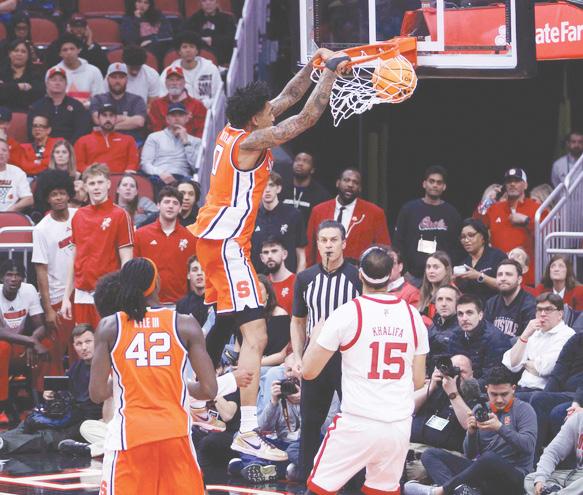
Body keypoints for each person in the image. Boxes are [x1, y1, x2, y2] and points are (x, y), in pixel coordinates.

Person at [189, 49, 347, 459]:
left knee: (225, 323)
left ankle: (196, 398)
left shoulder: (236, 129)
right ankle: (246, 429)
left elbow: (288, 97)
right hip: (226, 243)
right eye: (266, 111)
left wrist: (313, 66)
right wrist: (331, 75)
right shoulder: (251, 141)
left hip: (217, 239)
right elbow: (304, 119)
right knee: (256, 335)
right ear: (255, 119)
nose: (271, 112)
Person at [302, 246, 429, 495]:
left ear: (360, 274)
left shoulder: (348, 313)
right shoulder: (413, 316)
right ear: (391, 275)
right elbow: (417, 381)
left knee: (318, 489)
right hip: (397, 426)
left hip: (358, 422)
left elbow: (308, 372)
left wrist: (316, 334)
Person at [89, 257, 217, 495]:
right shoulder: (185, 324)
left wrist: (128, 378)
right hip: (175, 435)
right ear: (156, 282)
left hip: (130, 438)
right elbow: (209, 389)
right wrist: (176, 383)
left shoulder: (109, 326)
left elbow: (97, 393)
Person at [290, 220, 362, 480]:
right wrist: (298, 355)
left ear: (344, 243)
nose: (329, 245)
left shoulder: (357, 277)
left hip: (348, 358)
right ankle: (304, 476)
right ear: (317, 245)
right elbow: (298, 321)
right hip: (316, 357)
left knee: (354, 419)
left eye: (334, 240)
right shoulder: (305, 278)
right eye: (323, 240)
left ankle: (355, 479)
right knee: (310, 421)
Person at [405, 366, 537, 495]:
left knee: (489, 458)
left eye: (504, 394)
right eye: (494, 394)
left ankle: (443, 491)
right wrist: (471, 433)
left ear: (513, 389)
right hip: (483, 475)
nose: (499, 399)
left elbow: (528, 446)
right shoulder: (480, 409)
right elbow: (469, 454)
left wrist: (500, 428)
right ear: (487, 389)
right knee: (430, 454)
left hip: (513, 477)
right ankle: (459, 492)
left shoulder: (524, 410)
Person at [0, 324, 103, 454]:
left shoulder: (105, 366)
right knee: (30, 422)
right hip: (71, 414)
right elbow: (64, 392)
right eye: (79, 344)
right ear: (74, 346)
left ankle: (4, 444)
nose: (84, 347)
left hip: (87, 420)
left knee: (48, 436)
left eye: (88, 342)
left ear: (97, 341)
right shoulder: (76, 366)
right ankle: (2, 439)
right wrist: (51, 394)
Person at [61, 163, 134, 329]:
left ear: (108, 184)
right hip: (81, 293)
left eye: (100, 182)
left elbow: (127, 260)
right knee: (84, 341)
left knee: (108, 341)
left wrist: (123, 293)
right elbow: (75, 258)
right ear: (85, 187)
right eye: (92, 183)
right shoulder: (79, 215)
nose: (96, 187)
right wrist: (66, 297)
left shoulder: (120, 215)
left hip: (109, 293)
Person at [32, 170, 77, 368]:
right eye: (53, 194)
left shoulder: (80, 216)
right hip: (58, 297)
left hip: (81, 292)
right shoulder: (41, 229)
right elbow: (40, 270)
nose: (58, 198)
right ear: (47, 198)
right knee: (57, 352)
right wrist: (48, 308)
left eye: (62, 193)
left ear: (69, 194)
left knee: (81, 347)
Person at [306, 168, 391, 266]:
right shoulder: (318, 210)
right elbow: (309, 247)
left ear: (360, 188)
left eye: (355, 182)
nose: (350, 185)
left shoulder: (375, 213)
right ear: (338, 183)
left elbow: (383, 249)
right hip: (323, 271)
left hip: (357, 272)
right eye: (346, 180)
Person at [477, 168, 545, 287]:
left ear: (525, 185)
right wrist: (487, 201)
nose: (512, 184)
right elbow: (476, 226)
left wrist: (527, 221)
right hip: (499, 275)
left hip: (527, 277)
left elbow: (548, 233)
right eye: (509, 181)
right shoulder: (495, 208)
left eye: (517, 181)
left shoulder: (537, 208)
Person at [0, 260, 50, 421]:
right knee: (2, 347)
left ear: (23, 278)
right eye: (9, 275)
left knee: (46, 344)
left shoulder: (29, 290)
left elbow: (40, 326)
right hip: (5, 346)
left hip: (21, 345)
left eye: (17, 275)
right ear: (2, 278)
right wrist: (31, 341)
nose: (13, 279)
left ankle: (41, 398)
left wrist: (32, 342)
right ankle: (2, 405)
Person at [394, 165, 463, 281]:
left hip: (442, 276)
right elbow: (398, 242)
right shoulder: (409, 209)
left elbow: (458, 246)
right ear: (424, 184)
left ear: (444, 187)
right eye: (431, 181)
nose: (435, 185)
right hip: (412, 275)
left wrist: (449, 270)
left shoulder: (452, 213)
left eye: (439, 182)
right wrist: (404, 271)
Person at [502, 292, 575, 400]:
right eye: (539, 309)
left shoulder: (567, 334)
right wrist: (525, 334)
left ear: (560, 314)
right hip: (520, 388)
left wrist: (523, 362)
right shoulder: (534, 331)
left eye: (548, 309)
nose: (542, 314)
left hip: (542, 394)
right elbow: (511, 364)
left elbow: (545, 369)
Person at [134, 186, 198, 304]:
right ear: (158, 205)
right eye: (166, 202)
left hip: (180, 304)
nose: (170, 206)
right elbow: (134, 272)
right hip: (148, 303)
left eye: (175, 203)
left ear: (180, 208)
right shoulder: (140, 235)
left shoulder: (191, 238)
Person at [410, 355, 474, 459]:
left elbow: (469, 424)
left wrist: (453, 394)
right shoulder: (434, 388)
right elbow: (406, 409)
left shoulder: (473, 395)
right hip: (412, 448)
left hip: (443, 455)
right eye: (453, 370)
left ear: (472, 375)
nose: (456, 375)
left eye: (462, 371)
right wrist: (431, 387)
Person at [530, 332, 583, 453]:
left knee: (557, 412)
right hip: (568, 393)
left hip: (579, 397)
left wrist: (577, 403)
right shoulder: (577, 339)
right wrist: (546, 395)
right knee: (528, 398)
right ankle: (530, 455)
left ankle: (541, 456)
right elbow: (559, 371)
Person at [448, 294, 511, 386]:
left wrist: (462, 388)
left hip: (487, 388)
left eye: (469, 313)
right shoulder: (455, 335)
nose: (464, 318)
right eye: (460, 314)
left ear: (480, 315)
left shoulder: (495, 339)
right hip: (461, 383)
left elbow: (490, 378)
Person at [251, 171, 307, 274]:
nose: (267, 190)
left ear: (278, 188)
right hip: (258, 278)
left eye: (271, 185)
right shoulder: (251, 217)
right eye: (263, 185)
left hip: (286, 278)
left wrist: (298, 280)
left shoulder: (293, 215)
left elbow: (301, 254)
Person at [524, 402, 583, 495]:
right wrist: (540, 479)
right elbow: (552, 452)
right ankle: (554, 490)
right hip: (576, 477)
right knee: (531, 479)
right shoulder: (578, 418)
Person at [140, 102, 201, 189]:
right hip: (159, 176)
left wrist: (186, 142)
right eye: (173, 115)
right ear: (167, 119)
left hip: (183, 178)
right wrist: (161, 173)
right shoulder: (154, 137)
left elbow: (197, 167)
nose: (177, 118)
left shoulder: (196, 141)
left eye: (180, 115)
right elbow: (145, 164)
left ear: (186, 118)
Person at [28, 67, 92, 144]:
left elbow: (82, 130)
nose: (57, 83)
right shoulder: (37, 107)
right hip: (43, 147)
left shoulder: (76, 106)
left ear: (66, 84)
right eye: (54, 80)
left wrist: (67, 146)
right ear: (47, 83)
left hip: (70, 147)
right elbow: (32, 132)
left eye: (61, 80)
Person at [159, 31, 222, 109]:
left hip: (208, 112)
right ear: (179, 51)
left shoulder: (210, 69)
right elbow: (162, 99)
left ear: (197, 50)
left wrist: (201, 104)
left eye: (192, 47)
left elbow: (219, 97)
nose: (188, 50)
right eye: (184, 47)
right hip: (180, 113)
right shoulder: (168, 72)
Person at [74, 103, 139, 173]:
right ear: (98, 119)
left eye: (111, 115)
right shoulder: (83, 141)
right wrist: (93, 174)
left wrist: (126, 176)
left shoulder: (128, 140)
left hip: (121, 178)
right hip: (94, 178)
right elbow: (79, 164)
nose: (108, 119)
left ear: (116, 119)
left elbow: (133, 163)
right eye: (104, 115)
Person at [91, 63, 147, 144]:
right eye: (114, 77)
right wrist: (126, 118)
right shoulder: (98, 99)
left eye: (121, 77)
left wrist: (110, 127)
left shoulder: (137, 100)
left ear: (126, 79)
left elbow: (139, 122)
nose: (117, 81)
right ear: (108, 79)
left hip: (131, 142)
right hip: (104, 142)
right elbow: (97, 120)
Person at [454, 218, 506, 303]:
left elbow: (505, 285)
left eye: (471, 235)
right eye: (463, 237)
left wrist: (480, 276)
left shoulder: (497, 256)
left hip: (495, 306)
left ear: (482, 236)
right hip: (472, 309)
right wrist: (456, 283)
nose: (466, 240)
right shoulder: (464, 263)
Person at [48, 33, 103, 109]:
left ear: (79, 50)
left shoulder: (94, 71)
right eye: (65, 50)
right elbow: (51, 100)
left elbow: (99, 99)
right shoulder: (52, 72)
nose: (69, 52)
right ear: (60, 53)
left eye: (72, 49)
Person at [148, 66, 206, 138]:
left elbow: (201, 132)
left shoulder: (198, 106)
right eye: (171, 80)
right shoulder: (156, 105)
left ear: (184, 82)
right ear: (166, 83)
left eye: (178, 80)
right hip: (163, 143)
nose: (174, 83)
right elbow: (155, 130)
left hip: (191, 142)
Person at [484, 259, 537, 337]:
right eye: (500, 274)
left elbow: (528, 338)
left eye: (508, 274)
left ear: (519, 280)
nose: (503, 278)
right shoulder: (491, 303)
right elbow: (485, 334)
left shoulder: (530, 305)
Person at [44, 13, 109, 75]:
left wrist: (89, 41)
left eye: (81, 26)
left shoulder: (93, 47)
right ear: (69, 27)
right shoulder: (59, 44)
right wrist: (67, 35)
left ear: (86, 28)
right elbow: (50, 60)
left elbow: (103, 68)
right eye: (75, 26)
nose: (79, 29)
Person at [279, 151, 331, 225]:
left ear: (312, 170)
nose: (300, 163)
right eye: (297, 160)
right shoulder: (280, 189)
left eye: (305, 161)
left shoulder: (322, 195)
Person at [181, 0, 236, 66]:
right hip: (198, 59)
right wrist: (200, 39)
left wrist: (213, 40)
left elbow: (231, 39)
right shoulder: (193, 19)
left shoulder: (227, 19)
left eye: (211, 0)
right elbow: (184, 36)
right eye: (204, 1)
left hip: (222, 59)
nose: (208, 3)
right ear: (200, 3)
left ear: (216, 3)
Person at [0, 39, 44, 112]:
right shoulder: (1, 72)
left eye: (23, 51)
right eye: (16, 50)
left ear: (28, 56)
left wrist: (7, 88)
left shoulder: (36, 74)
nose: (19, 54)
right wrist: (19, 87)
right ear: (9, 53)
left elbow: (37, 94)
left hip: (27, 112)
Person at [260, 237, 295, 315]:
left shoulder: (297, 283)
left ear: (284, 254)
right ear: (262, 258)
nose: (269, 256)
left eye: (274, 251)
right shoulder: (261, 286)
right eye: (266, 252)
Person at [427, 285, 461, 367]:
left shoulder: (464, 329)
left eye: (449, 299)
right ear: (435, 304)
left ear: (457, 304)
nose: (443, 304)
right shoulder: (431, 328)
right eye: (440, 299)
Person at [176, 256, 211, 328]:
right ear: (188, 275)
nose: (199, 273)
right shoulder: (182, 304)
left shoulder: (216, 302)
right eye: (195, 270)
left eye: (203, 269)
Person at [418, 251, 453, 322]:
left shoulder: (452, 293)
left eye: (436, 267)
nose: (431, 271)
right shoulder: (423, 291)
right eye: (428, 267)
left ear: (446, 270)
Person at [0, 139, 33, 212]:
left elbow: (28, 199)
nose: (1, 153)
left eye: (4, 150)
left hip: (10, 214)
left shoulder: (17, 172)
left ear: (8, 155)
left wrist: (14, 208)